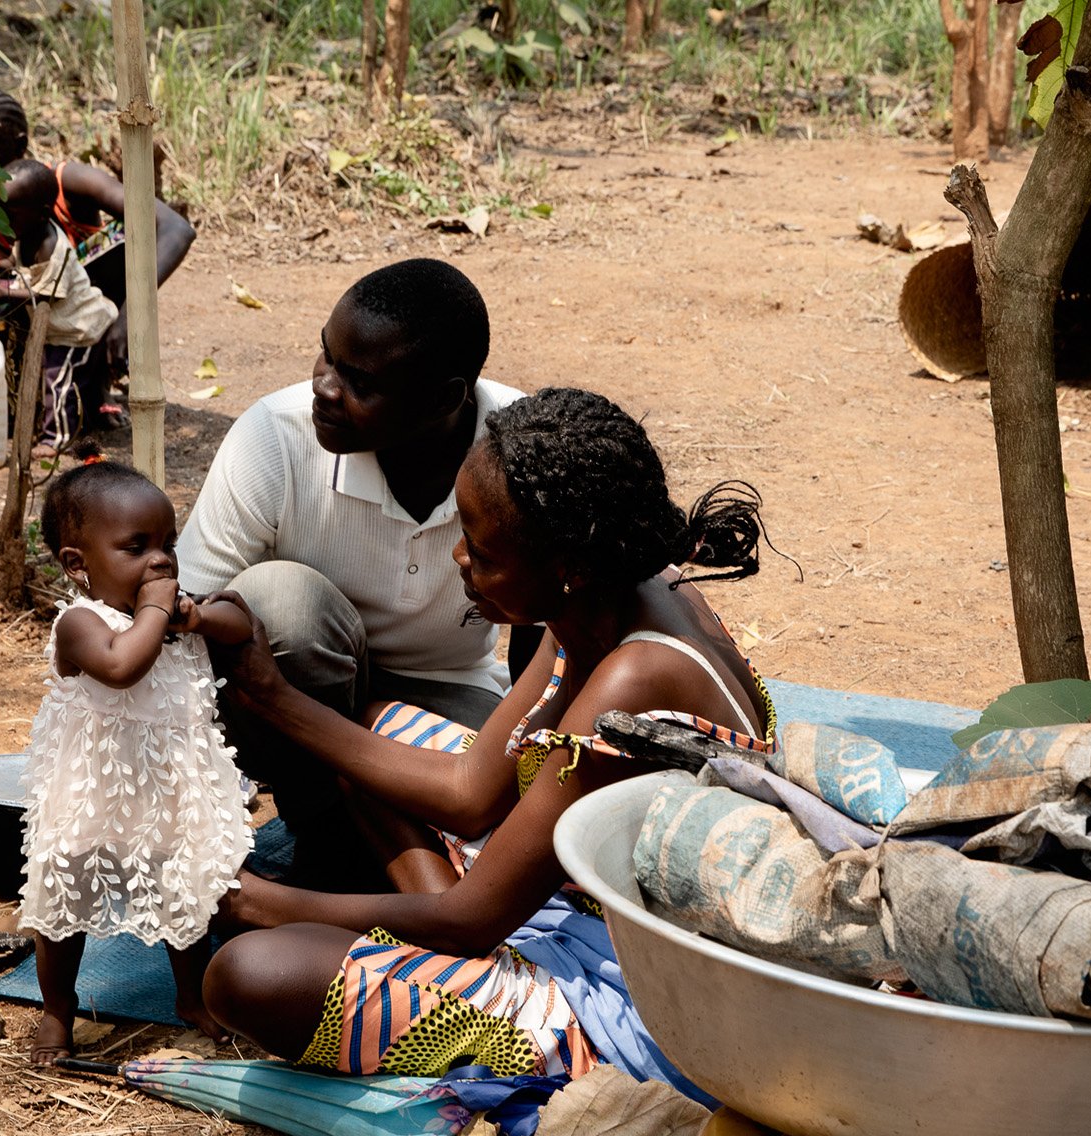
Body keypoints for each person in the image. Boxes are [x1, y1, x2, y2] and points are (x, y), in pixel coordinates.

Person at [198, 387, 774, 1099]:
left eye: (486, 552)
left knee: (250, 975)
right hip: (556, 903)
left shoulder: (636, 676)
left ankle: (510, 1003)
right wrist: (275, 697)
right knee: (372, 739)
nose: (460, 559)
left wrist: (246, 900)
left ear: (566, 564)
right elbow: (470, 794)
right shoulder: (600, 599)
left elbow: (467, 921)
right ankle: (445, 931)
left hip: (647, 996)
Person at [175, 258, 524, 878]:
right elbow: (183, 613)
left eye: (359, 381)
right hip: (295, 696)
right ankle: (327, 836)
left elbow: (562, 624)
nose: (324, 387)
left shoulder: (518, 455)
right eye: (325, 356)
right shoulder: (274, 437)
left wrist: (531, 760)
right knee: (277, 603)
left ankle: (371, 852)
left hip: (448, 694)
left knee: (502, 818)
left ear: (446, 397)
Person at [18, 462, 254, 1060]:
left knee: (186, 889)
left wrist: (197, 616)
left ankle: (191, 996)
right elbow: (121, 667)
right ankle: (57, 1012)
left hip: (169, 787)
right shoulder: (80, 623)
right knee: (64, 894)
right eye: (136, 547)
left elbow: (241, 622)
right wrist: (156, 613)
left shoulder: (172, 616)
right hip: (93, 791)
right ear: (78, 565)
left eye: (167, 545)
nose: (161, 562)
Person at [0, 87, 195, 413]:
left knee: (122, 240)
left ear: (20, 145)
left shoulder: (64, 183)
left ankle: (90, 389)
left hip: (70, 339)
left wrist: (131, 319)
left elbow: (176, 228)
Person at [0, 157, 118, 458]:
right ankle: (77, 424)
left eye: (11, 213)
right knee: (62, 382)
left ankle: (58, 438)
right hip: (60, 330)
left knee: (58, 382)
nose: (5, 219)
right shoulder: (25, 236)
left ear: (40, 214)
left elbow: (47, 293)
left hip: (77, 329)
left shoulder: (51, 245)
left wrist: (3, 290)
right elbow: (18, 264)